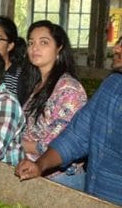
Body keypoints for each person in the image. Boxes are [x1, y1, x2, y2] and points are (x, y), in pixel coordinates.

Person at [15, 36, 122, 205]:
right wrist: (40, 165)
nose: (116, 48)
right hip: (94, 195)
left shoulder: (68, 87)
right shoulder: (113, 85)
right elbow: (77, 136)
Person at [17, 20, 87, 188]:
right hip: (35, 172)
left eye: (44, 42)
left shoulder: (69, 89)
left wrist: (15, 142)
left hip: (61, 179)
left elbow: (60, 146)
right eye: (31, 42)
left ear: (59, 48)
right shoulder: (38, 85)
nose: (35, 48)